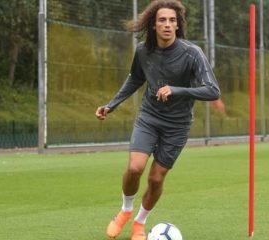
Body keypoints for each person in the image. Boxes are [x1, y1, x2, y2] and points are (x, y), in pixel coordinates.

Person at [95, 0, 220, 239]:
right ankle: (125, 211)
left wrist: (178, 90)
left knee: (155, 178)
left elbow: (213, 90)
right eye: (162, 20)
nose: (167, 25)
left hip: (177, 125)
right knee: (135, 168)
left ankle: (140, 223)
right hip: (149, 117)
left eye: (172, 20)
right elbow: (135, 78)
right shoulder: (143, 50)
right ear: (153, 25)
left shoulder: (192, 53)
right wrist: (111, 105)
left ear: (178, 25)